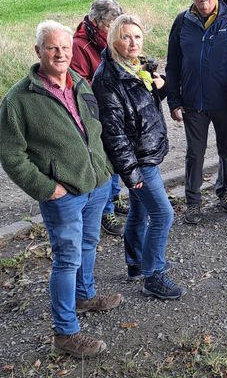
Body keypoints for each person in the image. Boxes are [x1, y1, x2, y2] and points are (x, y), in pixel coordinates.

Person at [0, 21, 122, 358]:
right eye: (53, 48)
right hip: (62, 194)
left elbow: (95, 128)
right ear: (37, 51)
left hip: (95, 184)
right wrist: (45, 187)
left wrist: (106, 169)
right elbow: (11, 153)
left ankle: (84, 295)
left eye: (66, 48)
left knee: (88, 243)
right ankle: (65, 333)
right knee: (66, 260)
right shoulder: (17, 100)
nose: (61, 54)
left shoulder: (80, 83)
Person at [93, 15, 186, 300]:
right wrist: (131, 175)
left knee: (140, 210)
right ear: (113, 40)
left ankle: (136, 264)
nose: (133, 43)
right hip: (138, 160)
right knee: (162, 213)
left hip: (146, 151)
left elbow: (146, 105)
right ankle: (154, 275)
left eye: (137, 37)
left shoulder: (136, 67)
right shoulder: (108, 79)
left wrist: (161, 83)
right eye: (126, 37)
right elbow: (114, 134)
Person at [166, 0, 227, 224]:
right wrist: (174, 100)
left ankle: (224, 191)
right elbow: (172, 65)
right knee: (195, 153)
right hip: (194, 103)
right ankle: (193, 202)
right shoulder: (182, 22)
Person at [71, 0, 127, 237]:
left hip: (114, 111)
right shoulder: (79, 46)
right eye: (108, 25)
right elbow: (78, 85)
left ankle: (114, 198)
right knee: (104, 162)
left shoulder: (110, 41)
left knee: (115, 159)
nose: (113, 30)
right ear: (95, 22)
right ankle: (105, 211)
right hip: (95, 115)